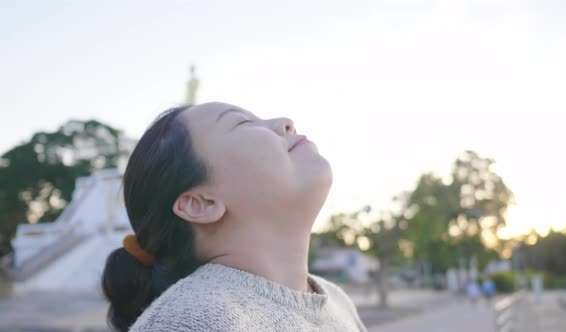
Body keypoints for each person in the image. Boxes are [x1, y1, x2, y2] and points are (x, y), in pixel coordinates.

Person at [101, 102, 368, 332]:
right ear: (201, 203)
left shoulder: (337, 301)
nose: (286, 123)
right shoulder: (191, 320)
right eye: (243, 124)